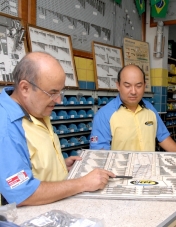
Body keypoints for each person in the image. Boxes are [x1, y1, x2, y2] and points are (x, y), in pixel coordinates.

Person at [0, 52, 115, 206]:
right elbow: (22, 193)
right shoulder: (6, 125)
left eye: (60, 91)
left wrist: (58, 167)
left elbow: (32, 161)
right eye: (52, 93)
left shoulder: (33, 109)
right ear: (25, 88)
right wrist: (83, 183)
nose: (59, 100)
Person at [90, 64, 176, 157]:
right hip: (120, 175)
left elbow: (163, 137)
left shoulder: (150, 108)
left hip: (148, 171)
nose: (133, 91)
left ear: (144, 86)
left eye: (138, 86)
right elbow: (99, 153)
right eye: (127, 86)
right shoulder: (104, 115)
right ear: (118, 86)